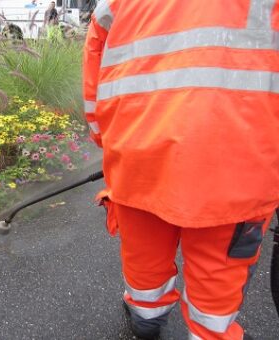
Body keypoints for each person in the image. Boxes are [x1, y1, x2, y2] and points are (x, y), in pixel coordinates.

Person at [83, 1, 279, 339]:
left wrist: (105, 138)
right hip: (236, 169)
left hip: (136, 158)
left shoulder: (114, 3)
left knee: (144, 260)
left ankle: (145, 320)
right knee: (216, 283)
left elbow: (94, 73)